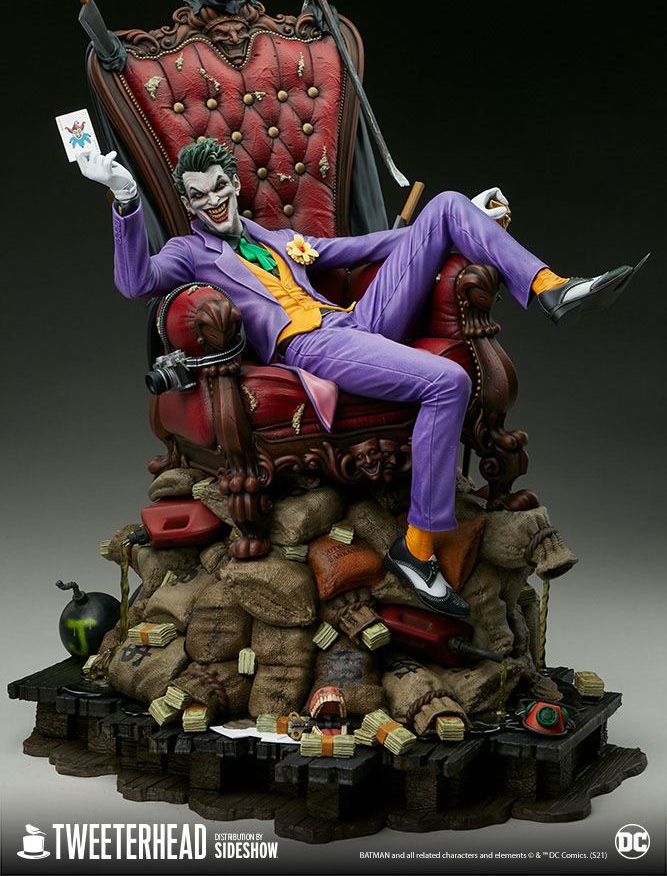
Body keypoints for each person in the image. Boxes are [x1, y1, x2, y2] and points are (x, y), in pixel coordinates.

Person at [78, 139, 646, 618]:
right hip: (311, 345)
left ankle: (551, 288)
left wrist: (468, 225)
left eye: (219, 187)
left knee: (448, 205)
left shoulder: (269, 236)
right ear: (187, 203)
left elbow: (359, 249)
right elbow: (136, 282)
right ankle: (417, 548)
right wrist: (124, 198)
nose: (213, 201)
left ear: (234, 184)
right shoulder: (188, 251)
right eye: (199, 195)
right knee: (448, 382)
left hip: (353, 320)